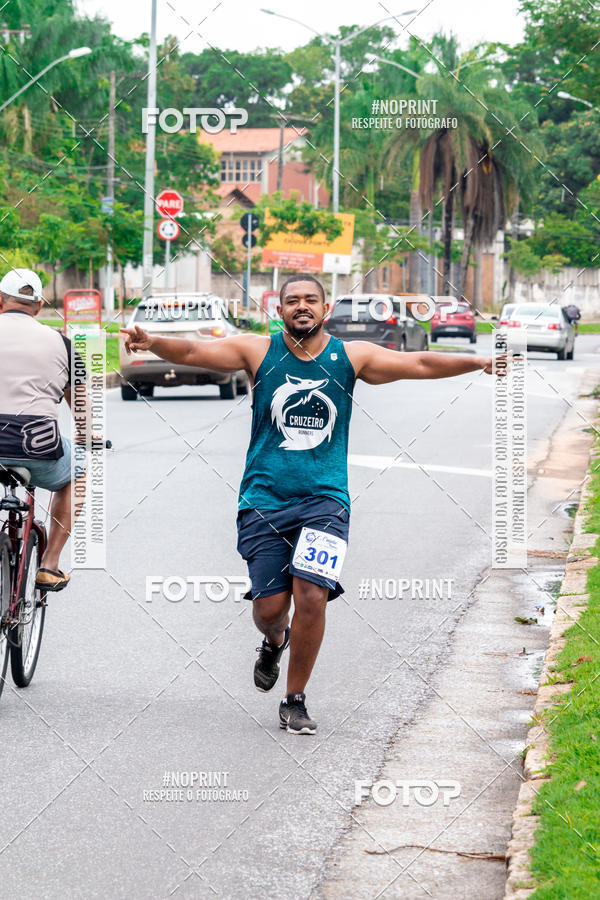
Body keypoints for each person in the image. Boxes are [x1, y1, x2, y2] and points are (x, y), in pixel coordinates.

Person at [122, 275, 506, 735]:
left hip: (326, 499)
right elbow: (192, 354)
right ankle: (275, 640)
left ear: (326, 309)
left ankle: (295, 698)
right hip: (263, 500)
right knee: (268, 610)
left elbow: (417, 363)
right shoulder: (257, 352)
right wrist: (152, 340)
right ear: (279, 309)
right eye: (291, 301)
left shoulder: (350, 357)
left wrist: (478, 361)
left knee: (311, 595)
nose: (301, 306)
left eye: (310, 300)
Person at [0, 268, 86, 592]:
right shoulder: (63, 345)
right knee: (78, 466)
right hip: (37, 447)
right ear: (38, 306)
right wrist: (89, 440)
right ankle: (50, 565)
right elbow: (85, 416)